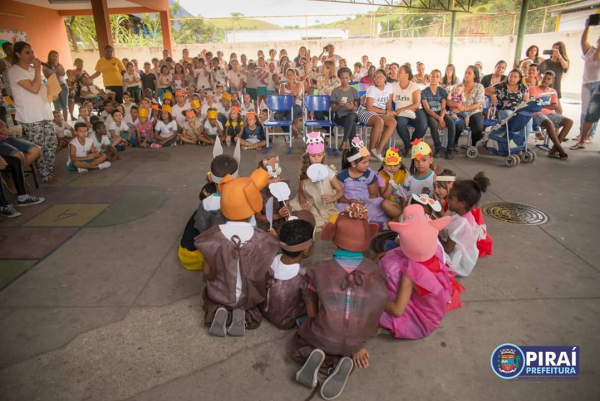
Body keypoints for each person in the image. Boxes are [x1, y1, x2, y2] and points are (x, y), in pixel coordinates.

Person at [292, 204, 388, 400]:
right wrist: (358, 343)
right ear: (366, 240)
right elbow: (375, 309)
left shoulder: (320, 269)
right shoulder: (374, 272)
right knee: (346, 338)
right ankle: (341, 361)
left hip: (324, 332)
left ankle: (318, 354)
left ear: (334, 239)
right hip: (356, 338)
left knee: (301, 341)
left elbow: (310, 301)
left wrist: (313, 324)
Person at [195, 167, 279, 337]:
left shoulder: (213, 236)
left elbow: (206, 271)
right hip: (248, 293)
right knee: (250, 297)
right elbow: (266, 272)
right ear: (253, 207)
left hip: (220, 291)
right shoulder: (262, 239)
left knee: (211, 295)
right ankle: (242, 308)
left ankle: (220, 308)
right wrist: (274, 238)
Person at [379, 203, 464, 339]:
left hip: (422, 322)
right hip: (434, 310)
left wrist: (377, 299)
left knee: (370, 303)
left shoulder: (411, 274)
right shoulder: (436, 253)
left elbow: (397, 310)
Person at [179, 143, 240, 271]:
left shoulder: (206, 202)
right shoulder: (231, 202)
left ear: (210, 177)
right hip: (193, 256)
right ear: (237, 178)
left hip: (187, 251)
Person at [7, 41, 58, 184]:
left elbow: (40, 89)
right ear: (18, 54)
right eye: (27, 52)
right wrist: (37, 70)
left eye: (32, 52)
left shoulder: (32, 69)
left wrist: (51, 93)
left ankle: (50, 171)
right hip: (30, 115)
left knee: (51, 144)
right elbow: (33, 88)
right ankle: (45, 175)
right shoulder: (14, 71)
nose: (32, 55)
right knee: (39, 146)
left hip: (44, 111)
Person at [261, 218, 312, 330]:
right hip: (286, 321)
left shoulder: (270, 258)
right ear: (306, 249)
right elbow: (312, 311)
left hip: (264, 311)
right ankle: (300, 321)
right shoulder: (304, 275)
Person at [289, 132, 344, 231]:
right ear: (307, 155)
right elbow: (300, 191)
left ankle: (323, 224)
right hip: (310, 203)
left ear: (323, 154)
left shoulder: (328, 171)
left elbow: (341, 190)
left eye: (319, 155)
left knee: (335, 219)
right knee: (294, 211)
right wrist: (302, 200)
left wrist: (332, 197)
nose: (316, 159)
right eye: (313, 156)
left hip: (325, 205)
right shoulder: (304, 172)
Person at [439, 172, 491, 277]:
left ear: (463, 203)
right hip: (453, 248)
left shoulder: (460, 223)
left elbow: (447, 249)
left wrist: (433, 234)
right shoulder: (459, 211)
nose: (447, 200)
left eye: (450, 198)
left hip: (456, 260)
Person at [337, 138, 388, 225]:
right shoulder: (342, 176)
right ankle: (362, 221)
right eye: (364, 163)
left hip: (366, 203)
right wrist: (349, 202)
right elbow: (339, 196)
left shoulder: (369, 174)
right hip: (348, 203)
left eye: (367, 162)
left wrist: (364, 202)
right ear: (353, 164)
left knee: (378, 205)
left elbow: (373, 194)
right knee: (343, 211)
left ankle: (361, 221)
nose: (367, 164)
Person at [529, 71, 572, 159]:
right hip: (537, 113)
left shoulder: (553, 91)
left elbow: (555, 106)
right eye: (545, 78)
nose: (546, 80)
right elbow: (534, 103)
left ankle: (554, 149)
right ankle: (559, 149)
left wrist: (542, 104)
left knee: (569, 122)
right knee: (548, 123)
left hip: (550, 113)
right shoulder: (533, 89)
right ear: (541, 78)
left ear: (552, 81)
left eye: (549, 79)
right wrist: (546, 105)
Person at [358, 69, 397, 160]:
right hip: (365, 112)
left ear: (385, 78)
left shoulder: (389, 87)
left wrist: (389, 112)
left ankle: (378, 150)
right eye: (375, 77)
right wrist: (387, 112)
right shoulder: (372, 89)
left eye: (380, 77)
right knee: (379, 121)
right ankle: (371, 151)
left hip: (380, 112)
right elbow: (369, 108)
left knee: (393, 122)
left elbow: (388, 103)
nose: (377, 79)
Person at [573, 17, 599, 145]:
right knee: (584, 110)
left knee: (592, 110)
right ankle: (582, 133)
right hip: (586, 83)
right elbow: (583, 42)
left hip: (598, 84)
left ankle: (590, 135)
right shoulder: (590, 51)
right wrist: (587, 27)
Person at [392, 65, 428, 157]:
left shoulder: (414, 86)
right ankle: (408, 147)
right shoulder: (393, 86)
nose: (397, 73)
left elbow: (416, 104)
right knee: (400, 124)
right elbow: (382, 93)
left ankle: (411, 147)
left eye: (400, 72)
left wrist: (402, 109)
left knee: (423, 125)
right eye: (398, 72)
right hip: (401, 113)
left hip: (415, 110)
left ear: (407, 74)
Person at [422, 69, 458, 160]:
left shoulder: (442, 91)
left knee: (451, 122)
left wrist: (441, 118)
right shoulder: (424, 92)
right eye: (432, 76)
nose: (434, 78)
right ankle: (438, 148)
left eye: (437, 76)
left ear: (440, 79)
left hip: (441, 113)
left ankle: (450, 149)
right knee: (434, 125)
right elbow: (427, 109)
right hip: (431, 114)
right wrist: (439, 119)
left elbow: (443, 108)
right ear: (429, 77)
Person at [449, 66, 485, 148]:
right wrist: (458, 105)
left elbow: (477, 104)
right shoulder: (458, 86)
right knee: (458, 123)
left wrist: (464, 108)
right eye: (466, 72)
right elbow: (448, 100)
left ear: (475, 75)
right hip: (460, 111)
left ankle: (473, 147)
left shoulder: (479, 87)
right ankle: (454, 145)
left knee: (478, 126)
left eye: (469, 73)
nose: (466, 75)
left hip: (474, 111)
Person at [330, 67, 359, 151]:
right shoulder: (335, 91)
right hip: (340, 117)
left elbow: (356, 108)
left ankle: (344, 141)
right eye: (342, 78)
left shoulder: (354, 90)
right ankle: (354, 149)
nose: (344, 80)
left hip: (352, 114)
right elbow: (334, 110)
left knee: (351, 115)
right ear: (339, 78)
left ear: (350, 78)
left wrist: (352, 107)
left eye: (346, 78)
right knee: (352, 122)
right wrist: (339, 105)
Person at [378, 147, 408, 220]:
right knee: (384, 203)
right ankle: (406, 218)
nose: (392, 168)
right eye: (389, 165)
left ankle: (401, 218)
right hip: (391, 205)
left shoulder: (404, 173)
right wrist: (391, 178)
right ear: (384, 165)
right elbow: (386, 197)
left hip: (402, 204)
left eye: (395, 165)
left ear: (399, 165)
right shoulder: (380, 175)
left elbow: (407, 193)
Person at [43, 51, 69, 122]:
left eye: (56, 56)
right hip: (53, 87)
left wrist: (57, 67)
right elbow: (47, 76)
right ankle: (59, 121)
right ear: (49, 57)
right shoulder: (45, 65)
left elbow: (63, 74)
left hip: (63, 86)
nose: (55, 58)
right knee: (57, 106)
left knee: (65, 105)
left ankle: (65, 122)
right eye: (53, 56)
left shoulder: (60, 65)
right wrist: (52, 69)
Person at [276, 68, 303, 136]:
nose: (289, 76)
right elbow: (282, 96)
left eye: (291, 75)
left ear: (294, 76)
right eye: (287, 75)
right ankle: (291, 130)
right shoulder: (282, 85)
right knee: (277, 116)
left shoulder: (298, 84)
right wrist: (294, 95)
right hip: (285, 106)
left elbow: (294, 93)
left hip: (296, 106)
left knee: (289, 116)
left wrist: (291, 83)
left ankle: (288, 134)